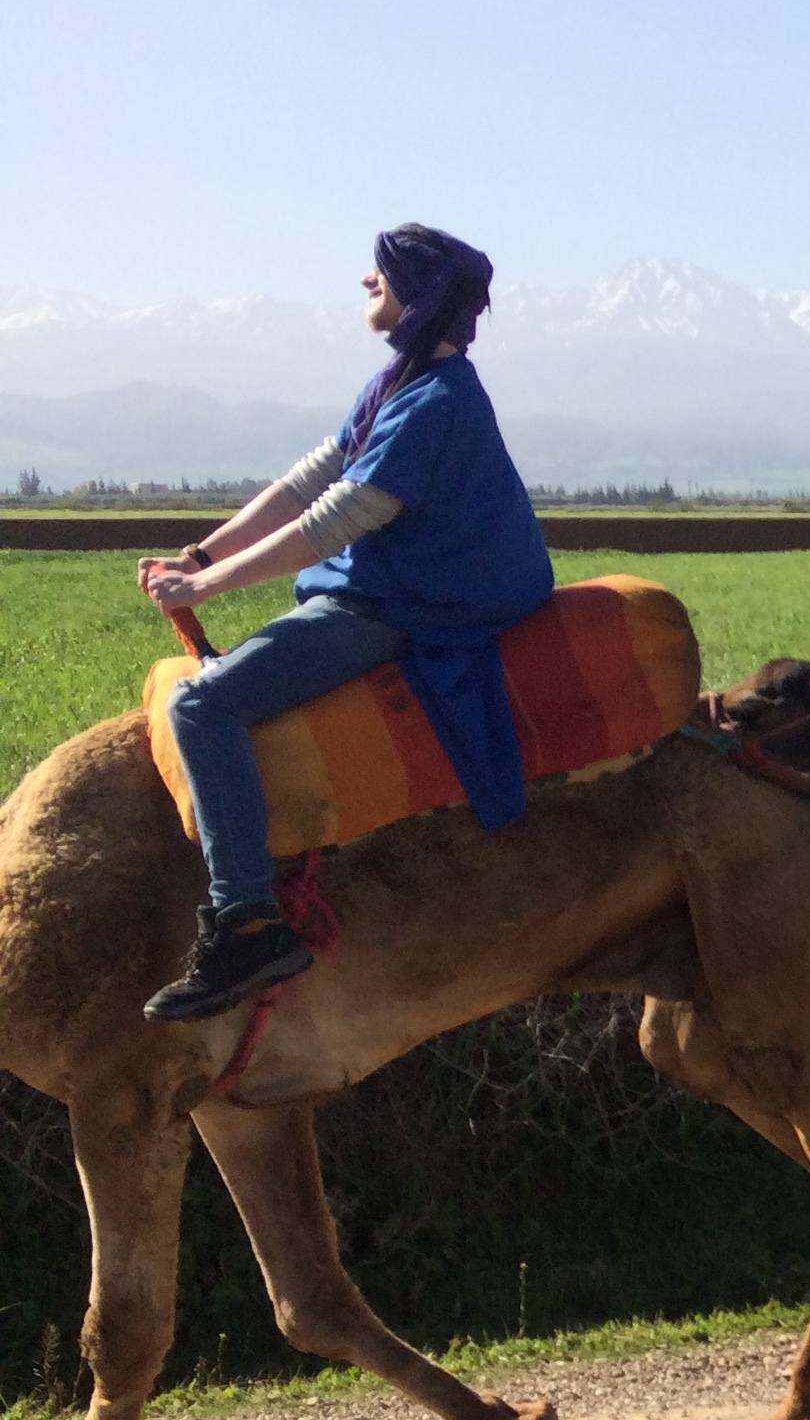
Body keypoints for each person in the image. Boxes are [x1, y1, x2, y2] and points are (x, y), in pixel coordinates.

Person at [136, 225, 551, 1023]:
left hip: (411, 602)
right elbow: (308, 481)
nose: (368, 280)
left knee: (202, 704)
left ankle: (248, 922)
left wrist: (207, 587)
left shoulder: (439, 402)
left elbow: (337, 520)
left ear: (420, 295)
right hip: (387, 585)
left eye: (385, 274)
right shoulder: (397, 383)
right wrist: (199, 555)